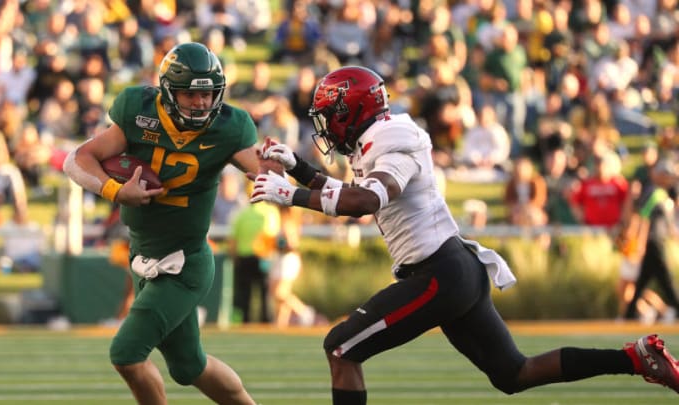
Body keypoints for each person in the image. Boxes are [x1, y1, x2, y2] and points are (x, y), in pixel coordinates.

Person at [250, 66, 679, 404]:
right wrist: (298, 168)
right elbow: (353, 192)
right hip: (453, 270)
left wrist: (290, 195)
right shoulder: (376, 140)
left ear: (352, 113)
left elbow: (364, 203)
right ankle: (634, 358)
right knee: (515, 374)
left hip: (439, 275)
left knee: (341, 349)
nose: (326, 128)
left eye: (330, 118)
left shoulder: (392, 141)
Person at [63, 42, 258, 405]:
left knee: (126, 353)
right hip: (144, 255)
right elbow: (78, 159)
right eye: (190, 94)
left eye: (209, 94)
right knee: (189, 367)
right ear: (169, 91)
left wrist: (273, 174)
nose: (201, 103)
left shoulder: (230, 127)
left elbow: (261, 170)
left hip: (185, 264)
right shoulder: (138, 109)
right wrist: (116, 191)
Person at [623, 159, 679, 323]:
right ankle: (676, 307)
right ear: (660, 175)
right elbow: (644, 217)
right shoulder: (654, 193)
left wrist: (673, 235)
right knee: (665, 278)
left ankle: (629, 314)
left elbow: (666, 222)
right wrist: (640, 242)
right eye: (667, 175)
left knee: (643, 281)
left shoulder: (663, 194)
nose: (670, 179)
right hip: (652, 242)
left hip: (656, 241)